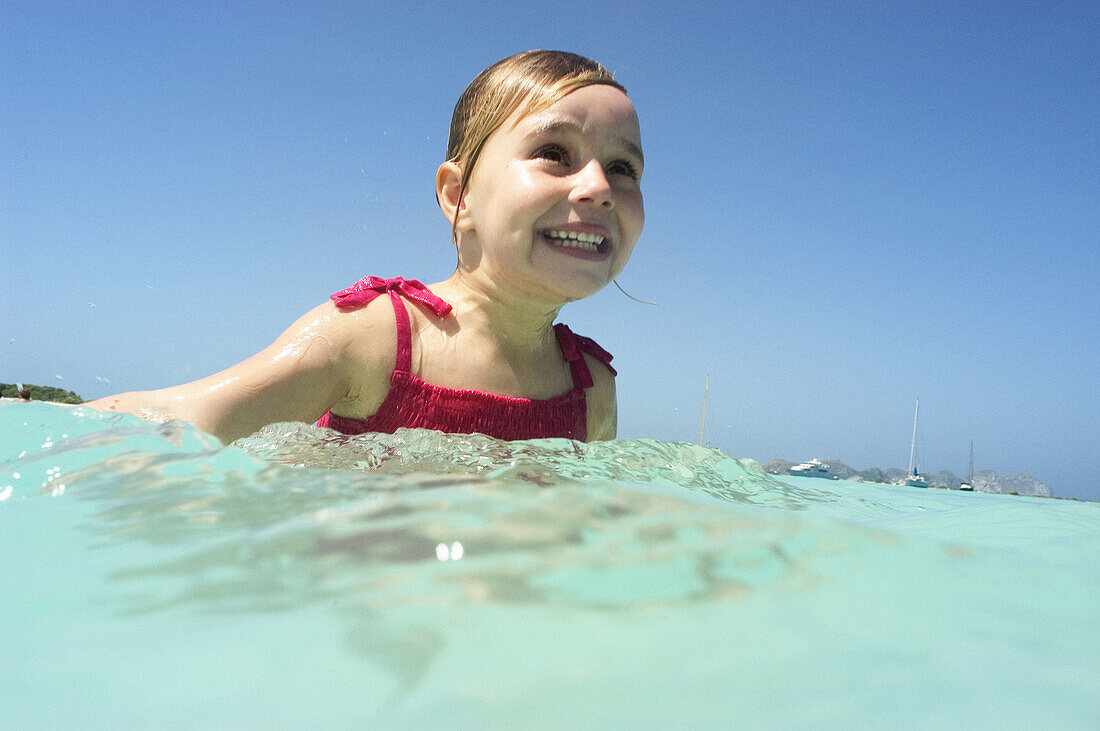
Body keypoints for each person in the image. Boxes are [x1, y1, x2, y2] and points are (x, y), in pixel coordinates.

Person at [86, 50, 644, 445]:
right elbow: (185, 423)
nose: (598, 188)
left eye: (623, 167)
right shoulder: (374, 338)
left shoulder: (592, 387)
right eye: (554, 152)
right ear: (459, 197)